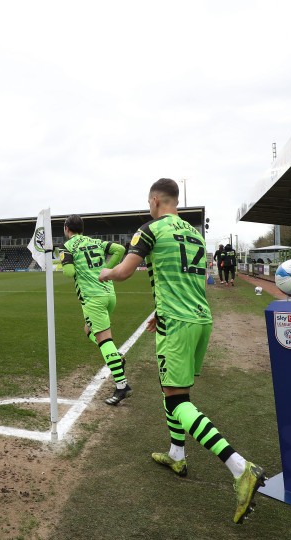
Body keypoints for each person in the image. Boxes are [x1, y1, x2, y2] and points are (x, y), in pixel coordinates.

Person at [99, 178, 265, 524]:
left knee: (177, 401)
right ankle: (177, 455)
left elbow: (125, 272)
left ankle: (241, 468)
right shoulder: (195, 234)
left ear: (155, 200)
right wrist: (160, 311)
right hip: (200, 319)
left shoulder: (150, 229)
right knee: (174, 391)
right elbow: (192, 280)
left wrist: (107, 272)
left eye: (149, 202)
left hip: (177, 323)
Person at [59, 215, 129, 405]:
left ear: (66, 228)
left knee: (104, 339)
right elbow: (120, 249)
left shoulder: (67, 247)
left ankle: (122, 386)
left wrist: (65, 261)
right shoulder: (95, 241)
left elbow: (69, 272)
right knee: (88, 330)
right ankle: (116, 356)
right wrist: (106, 269)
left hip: (93, 298)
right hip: (109, 294)